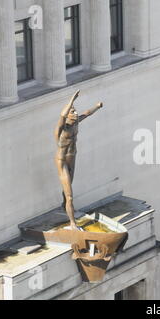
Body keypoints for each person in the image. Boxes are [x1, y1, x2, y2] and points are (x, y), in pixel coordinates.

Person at [55, 90, 103, 230]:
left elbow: (87, 113)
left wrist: (97, 106)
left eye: (75, 112)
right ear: (68, 116)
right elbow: (62, 115)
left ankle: (64, 205)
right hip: (61, 160)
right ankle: (72, 223)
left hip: (72, 156)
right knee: (70, 195)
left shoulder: (76, 123)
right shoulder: (62, 129)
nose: (76, 114)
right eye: (73, 112)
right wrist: (72, 100)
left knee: (68, 186)